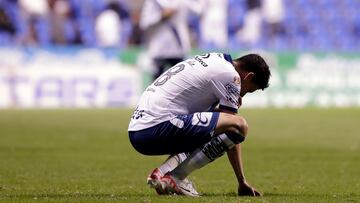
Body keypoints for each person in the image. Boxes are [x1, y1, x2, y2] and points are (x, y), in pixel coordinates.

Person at [128, 52, 271, 196]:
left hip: (139, 129)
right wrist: (241, 181)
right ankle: (176, 178)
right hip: (155, 126)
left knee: (209, 125)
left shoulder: (215, 59)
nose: (242, 95)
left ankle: (162, 173)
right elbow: (232, 127)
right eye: (249, 90)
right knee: (239, 125)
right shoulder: (231, 76)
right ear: (249, 76)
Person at [139, 0, 201, 81]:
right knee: (157, 85)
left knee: (182, 83)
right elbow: (144, 23)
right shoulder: (153, 2)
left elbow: (199, 10)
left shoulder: (182, 1)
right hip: (159, 49)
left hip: (178, 49)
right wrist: (161, 15)